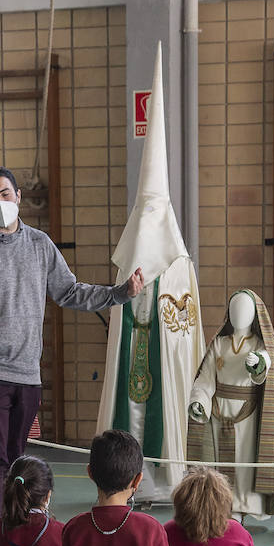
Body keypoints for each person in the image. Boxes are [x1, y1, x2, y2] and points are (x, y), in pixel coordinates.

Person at [0, 166, 146, 536]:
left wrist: (119, 293)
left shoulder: (39, 244)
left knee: (18, 459)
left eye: (5, 194)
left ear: (19, 197)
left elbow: (69, 291)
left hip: (28, 374)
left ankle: (18, 532)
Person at [95, 44, 205, 499]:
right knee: (130, 412)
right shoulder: (127, 257)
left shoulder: (179, 264)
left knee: (160, 413)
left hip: (162, 355)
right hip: (132, 354)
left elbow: (186, 328)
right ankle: (125, 478)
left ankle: (162, 479)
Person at [188, 290, 274, 521]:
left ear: (255, 315)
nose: (239, 314)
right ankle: (219, 503)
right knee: (217, 461)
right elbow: (207, 377)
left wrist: (258, 364)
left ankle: (241, 505)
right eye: (235, 309)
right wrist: (199, 399)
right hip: (218, 410)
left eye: (245, 310)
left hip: (247, 413)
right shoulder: (219, 344)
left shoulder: (259, 343)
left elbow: (265, 364)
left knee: (244, 463)